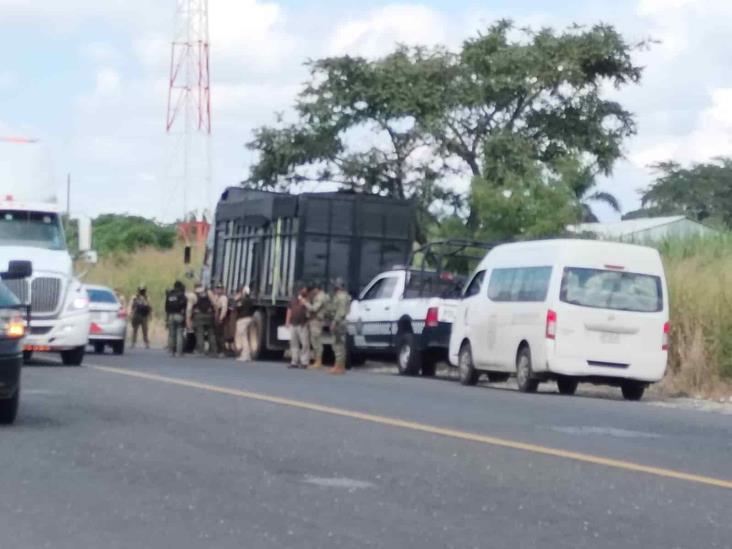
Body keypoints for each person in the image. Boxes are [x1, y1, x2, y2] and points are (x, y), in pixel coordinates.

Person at [302, 280, 329, 370]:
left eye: (314, 289)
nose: (313, 291)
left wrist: (306, 303)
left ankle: (318, 361)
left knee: (317, 341)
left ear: (317, 289)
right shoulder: (318, 296)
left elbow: (314, 308)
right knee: (314, 341)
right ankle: (317, 361)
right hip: (314, 320)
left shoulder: (321, 297)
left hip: (317, 320)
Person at [187, 283, 218, 356]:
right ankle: (214, 350)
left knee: (199, 333)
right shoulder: (209, 292)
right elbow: (215, 304)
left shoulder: (193, 295)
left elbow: (189, 309)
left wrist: (188, 319)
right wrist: (216, 314)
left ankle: (201, 351)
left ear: (195, 287)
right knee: (211, 333)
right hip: (209, 315)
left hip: (199, 316)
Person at [329, 277, 351, 375]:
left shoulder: (341, 297)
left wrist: (334, 323)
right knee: (341, 345)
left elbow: (340, 312)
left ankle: (338, 366)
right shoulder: (345, 296)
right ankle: (340, 366)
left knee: (337, 345)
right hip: (342, 322)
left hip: (339, 322)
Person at [286, 284, 310, 369]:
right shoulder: (293, 299)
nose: (305, 291)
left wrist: (304, 302)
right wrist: (287, 321)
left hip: (302, 324)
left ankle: (304, 362)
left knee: (305, 344)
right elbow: (289, 310)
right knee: (293, 343)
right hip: (293, 323)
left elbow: (310, 309)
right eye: (303, 289)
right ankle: (294, 361)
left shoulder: (307, 299)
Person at [165, 280, 188, 357]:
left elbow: (166, 307)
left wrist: (167, 317)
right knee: (179, 334)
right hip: (179, 315)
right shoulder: (182, 295)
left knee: (172, 335)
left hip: (171, 315)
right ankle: (179, 352)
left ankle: (172, 351)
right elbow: (185, 306)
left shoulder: (170, 295)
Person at [233, 285, 255, 361]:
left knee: (243, 337)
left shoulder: (242, 301)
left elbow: (235, 307)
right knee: (245, 337)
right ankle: (247, 355)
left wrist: (235, 300)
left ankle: (245, 355)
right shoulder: (250, 300)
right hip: (249, 318)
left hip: (242, 320)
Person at [212, 282, 229, 357]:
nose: (218, 290)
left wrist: (221, 318)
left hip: (220, 316)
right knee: (216, 334)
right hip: (215, 315)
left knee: (221, 335)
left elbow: (224, 309)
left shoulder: (223, 298)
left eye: (220, 289)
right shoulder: (215, 297)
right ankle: (218, 350)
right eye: (217, 288)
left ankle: (222, 350)